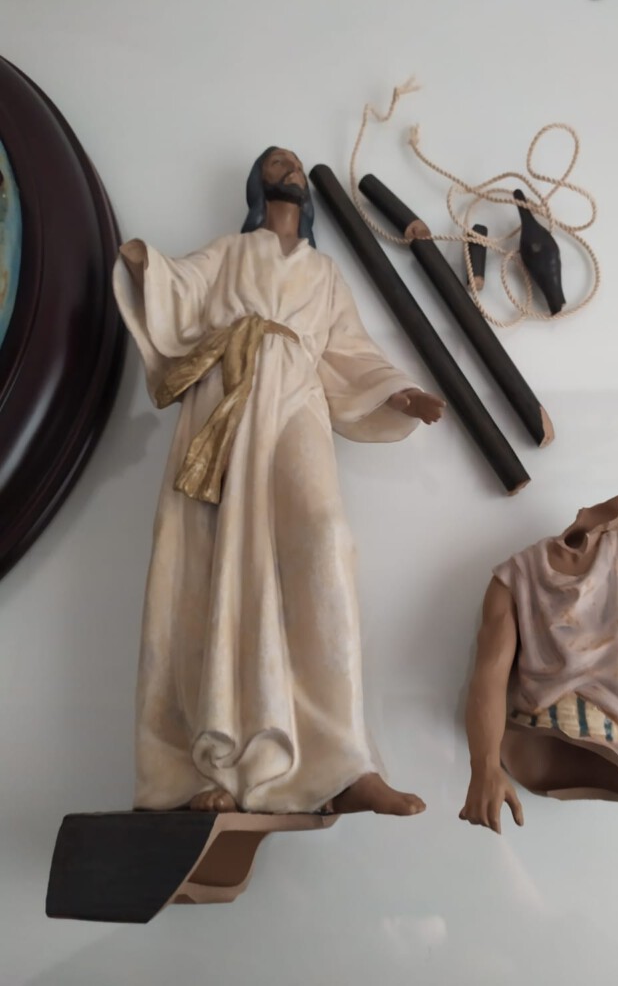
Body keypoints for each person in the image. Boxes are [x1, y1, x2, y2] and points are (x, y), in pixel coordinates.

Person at [113, 146, 444, 816]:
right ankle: (206, 765)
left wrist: (399, 392)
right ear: (258, 185)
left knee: (325, 539)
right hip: (226, 399)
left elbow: (350, 350)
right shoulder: (231, 252)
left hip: (297, 400)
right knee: (206, 562)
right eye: (276, 163)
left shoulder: (324, 273)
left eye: (294, 162)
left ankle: (341, 762)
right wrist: (148, 266)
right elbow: (181, 287)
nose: (288, 166)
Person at [459, 496, 618, 833]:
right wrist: (484, 768)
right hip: (537, 741)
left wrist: (484, 768)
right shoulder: (514, 578)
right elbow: (489, 679)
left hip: (610, 742)